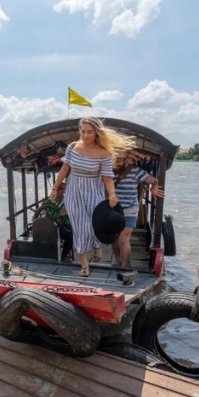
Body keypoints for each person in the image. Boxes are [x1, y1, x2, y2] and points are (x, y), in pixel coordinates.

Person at [50, 117, 135, 277]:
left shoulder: (104, 153)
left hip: (93, 190)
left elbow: (107, 178)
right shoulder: (73, 147)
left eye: (89, 132)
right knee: (78, 227)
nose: (85, 135)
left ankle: (97, 245)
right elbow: (64, 169)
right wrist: (55, 188)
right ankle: (84, 265)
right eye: (83, 131)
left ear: (96, 132)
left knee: (93, 224)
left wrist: (112, 194)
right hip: (73, 190)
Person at [111, 153, 164, 267]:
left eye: (119, 161)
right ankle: (117, 260)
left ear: (126, 161)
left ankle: (124, 266)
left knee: (124, 238)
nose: (116, 164)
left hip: (130, 208)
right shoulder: (108, 171)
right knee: (114, 237)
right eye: (114, 161)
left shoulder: (135, 171)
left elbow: (154, 180)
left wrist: (154, 188)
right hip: (113, 208)